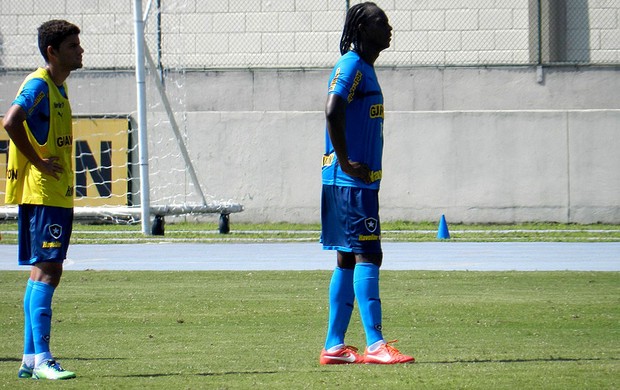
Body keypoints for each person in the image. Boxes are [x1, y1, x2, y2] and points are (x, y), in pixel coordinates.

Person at [319, 3, 414, 365]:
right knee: (369, 254)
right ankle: (376, 345)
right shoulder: (352, 66)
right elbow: (332, 109)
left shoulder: (364, 68)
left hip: (347, 182)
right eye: (381, 22)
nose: (388, 27)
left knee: (347, 259)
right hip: (350, 184)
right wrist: (346, 162)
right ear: (361, 27)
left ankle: (334, 346)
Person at [2, 19, 83, 380]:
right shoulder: (38, 85)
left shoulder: (58, 88)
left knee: (43, 269)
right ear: (52, 52)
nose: (80, 51)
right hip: (44, 193)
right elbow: (10, 121)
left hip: (54, 193)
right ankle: (45, 358)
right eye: (73, 46)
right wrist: (36, 161)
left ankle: (30, 358)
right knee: (49, 269)